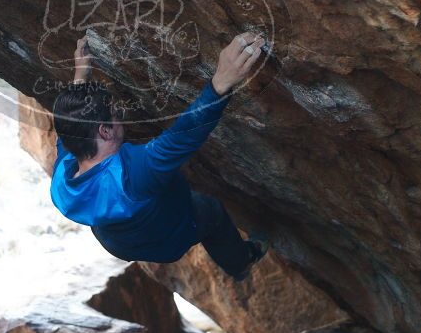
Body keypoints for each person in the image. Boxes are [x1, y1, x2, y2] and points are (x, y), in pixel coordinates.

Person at [50, 32, 269, 280]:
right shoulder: (132, 176)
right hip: (167, 240)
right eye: (114, 113)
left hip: (118, 243)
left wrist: (81, 76)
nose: (120, 111)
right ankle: (241, 263)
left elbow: (67, 130)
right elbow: (182, 137)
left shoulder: (61, 179)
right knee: (211, 211)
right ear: (104, 130)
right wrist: (220, 83)